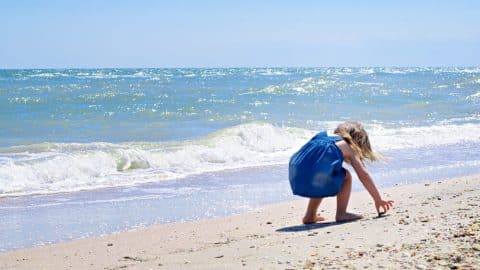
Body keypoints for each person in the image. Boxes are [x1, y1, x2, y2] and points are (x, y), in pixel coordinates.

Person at [288, 121, 394, 224]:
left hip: (295, 171)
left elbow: (311, 157)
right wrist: (378, 199)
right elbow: (364, 175)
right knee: (346, 176)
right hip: (311, 173)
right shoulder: (349, 146)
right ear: (358, 139)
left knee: (321, 176)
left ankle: (310, 215)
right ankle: (341, 213)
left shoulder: (322, 136)